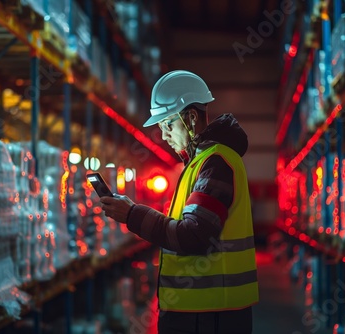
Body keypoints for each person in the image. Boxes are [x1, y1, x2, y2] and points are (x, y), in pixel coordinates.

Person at [100, 70, 258, 333]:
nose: (164, 136)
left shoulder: (215, 163)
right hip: (205, 312)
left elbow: (193, 236)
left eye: (168, 125)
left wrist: (132, 215)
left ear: (191, 118)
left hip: (210, 315)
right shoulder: (201, 162)